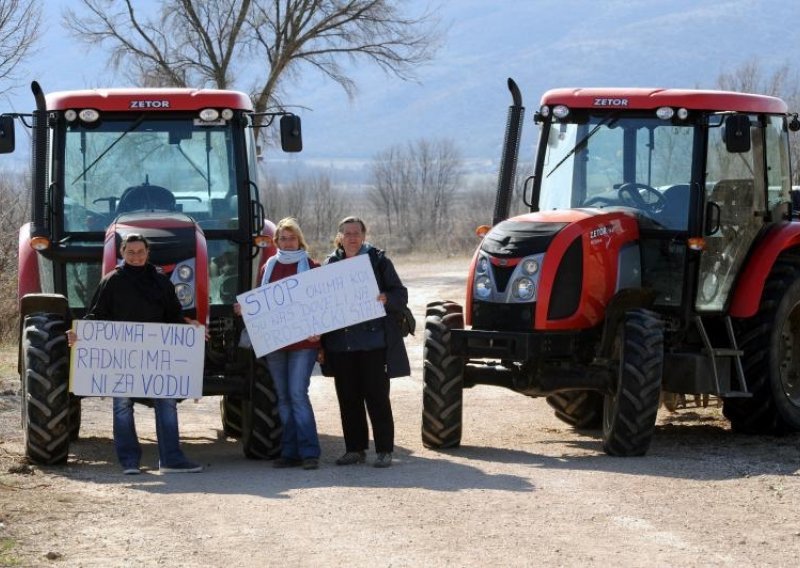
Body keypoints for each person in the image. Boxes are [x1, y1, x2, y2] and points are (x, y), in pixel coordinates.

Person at [68, 233, 203, 475]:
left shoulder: (161, 282)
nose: (136, 257)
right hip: (123, 361)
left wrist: (190, 327)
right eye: (131, 252)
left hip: (158, 359)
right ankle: (129, 461)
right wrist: (79, 333)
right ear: (122, 253)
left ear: (147, 253)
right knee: (122, 406)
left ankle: (172, 459)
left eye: (140, 252)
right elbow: (96, 317)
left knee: (167, 404)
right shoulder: (111, 282)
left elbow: (173, 316)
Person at [321, 216, 410, 468]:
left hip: (373, 343)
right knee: (348, 399)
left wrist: (385, 298)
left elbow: (400, 294)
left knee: (377, 398)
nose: (351, 237)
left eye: (356, 233)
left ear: (363, 235)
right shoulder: (330, 264)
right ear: (340, 236)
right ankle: (354, 450)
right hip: (342, 345)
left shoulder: (379, 261)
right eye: (347, 233)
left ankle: (384, 450)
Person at [251, 217, 322, 470]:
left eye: (292, 238)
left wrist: (319, 334)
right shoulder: (267, 268)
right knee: (282, 398)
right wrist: (245, 309)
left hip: (304, 343)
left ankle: (310, 451)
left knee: (297, 395)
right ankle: (290, 452)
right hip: (276, 344)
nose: (288, 242)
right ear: (276, 241)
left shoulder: (312, 267)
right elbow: (260, 303)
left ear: (299, 240)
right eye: (283, 238)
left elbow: (321, 307)